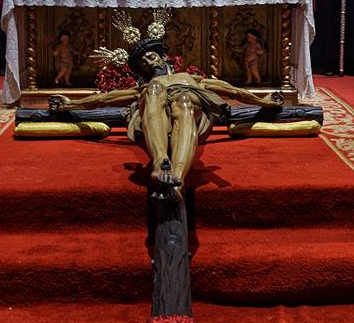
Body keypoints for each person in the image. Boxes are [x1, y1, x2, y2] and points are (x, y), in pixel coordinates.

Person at [50, 36, 282, 200]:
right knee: (153, 91)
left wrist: (265, 102)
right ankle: (161, 163)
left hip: (190, 115)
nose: (147, 62)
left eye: (150, 57)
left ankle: (177, 178)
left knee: (183, 100)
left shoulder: (191, 78)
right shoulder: (145, 86)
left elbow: (233, 91)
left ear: (162, 57)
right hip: (154, 114)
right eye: (142, 63)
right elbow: (105, 99)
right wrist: (72, 104)